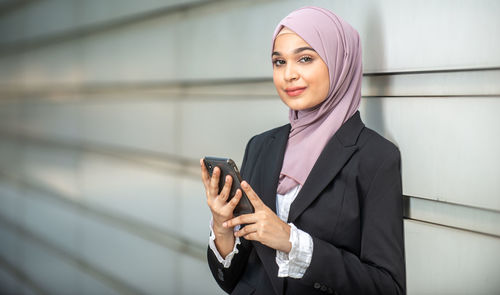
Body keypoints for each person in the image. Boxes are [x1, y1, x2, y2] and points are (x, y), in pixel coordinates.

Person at [200, 6, 405, 295]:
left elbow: (388, 287)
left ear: (339, 62)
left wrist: (292, 242)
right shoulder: (260, 146)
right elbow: (230, 279)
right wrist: (223, 229)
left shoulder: (375, 157)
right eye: (279, 62)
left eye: (305, 59)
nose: (288, 75)